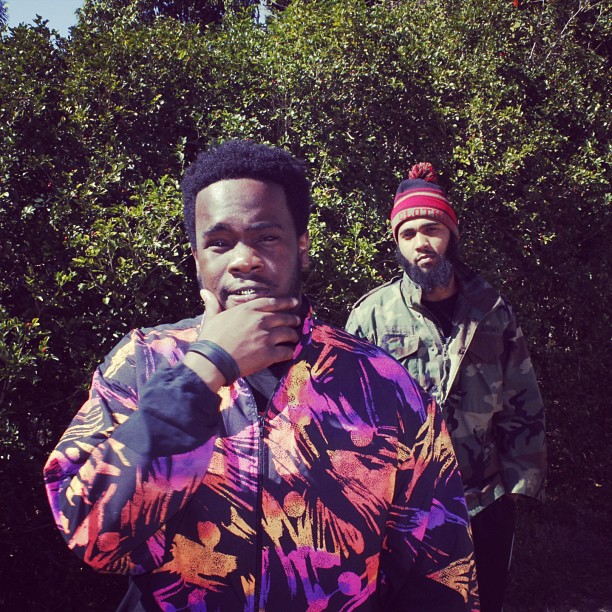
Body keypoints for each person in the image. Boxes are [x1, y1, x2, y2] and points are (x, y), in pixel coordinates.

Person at [43, 141, 478, 611]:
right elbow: (92, 534)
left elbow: (439, 572)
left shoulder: (385, 386)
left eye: (266, 237)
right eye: (219, 242)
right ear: (197, 259)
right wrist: (204, 370)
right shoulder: (142, 362)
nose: (243, 259)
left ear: (302, 247)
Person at [345, 162, 547, 612]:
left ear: (451, 234)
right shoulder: (371, 316)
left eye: (431, 229)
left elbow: (522, 397)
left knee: (485, 600)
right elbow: (350, 418)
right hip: (406, 508)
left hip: (484, 501)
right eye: (408, 233)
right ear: (397, 244)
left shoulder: (492, 309)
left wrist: (521, 484)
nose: (421, 242)